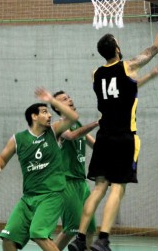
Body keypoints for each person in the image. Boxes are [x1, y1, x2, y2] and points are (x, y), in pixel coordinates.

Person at [68, 4, 158, 251]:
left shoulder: (96, 74)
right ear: (117, 48)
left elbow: (126, 90)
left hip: (103, 136)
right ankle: (103, 239)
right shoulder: (128, 65)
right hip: (124, 137)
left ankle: (80, 238)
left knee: (98, 188)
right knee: (118, 187)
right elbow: (155, 48)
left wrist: (150, 77)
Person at [0, 87, 79, 251]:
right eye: (44, 112)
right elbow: (2, 157)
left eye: (49, 112)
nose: (49, 115)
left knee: (38, 233)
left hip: (51, 194)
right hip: (28, 197)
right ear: (34, 116)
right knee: (8, 238)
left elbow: (73, 117)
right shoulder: (18, 139)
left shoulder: (53, 132)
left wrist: (51, 100)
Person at [51, 91, 99, 251]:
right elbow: (71, 136)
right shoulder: (59, 126)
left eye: (69, 97)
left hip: (81, 183)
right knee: (71, 228)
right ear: (58, 108)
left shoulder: (79, 125)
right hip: (66, 183)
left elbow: (96, 146)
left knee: (90, 228)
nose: (69, 99)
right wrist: (97, 122)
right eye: (64, 99)